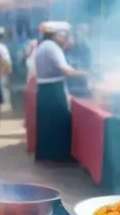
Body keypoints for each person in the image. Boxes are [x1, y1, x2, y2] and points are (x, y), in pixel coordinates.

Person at [31, 22, 85, 160]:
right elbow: (65, 70)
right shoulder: (53, 48)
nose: (65, 37)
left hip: (44, 89)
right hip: (54, 89)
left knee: (47, 124)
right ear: (55, 35)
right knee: (60, 121)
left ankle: (46, 154)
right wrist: (85, 73)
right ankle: (60, 155)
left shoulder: (42, 46)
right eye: (63, 34)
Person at [65, 23, 93, 98]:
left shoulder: (85, 49)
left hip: (81, 87)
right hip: (66, 88)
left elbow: (88, 69)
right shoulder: (60, 50)